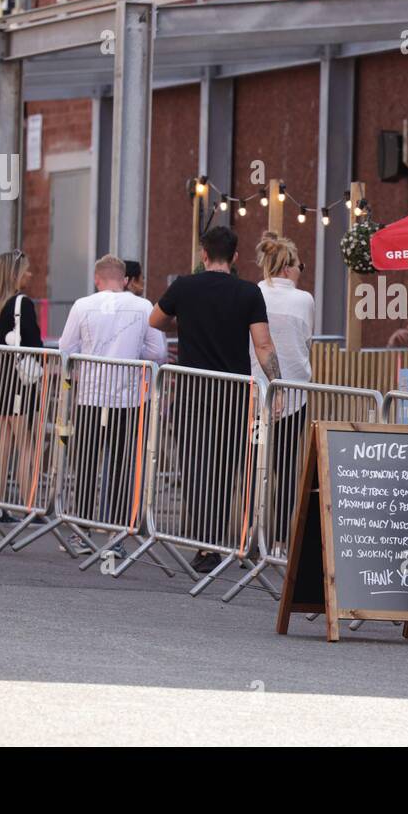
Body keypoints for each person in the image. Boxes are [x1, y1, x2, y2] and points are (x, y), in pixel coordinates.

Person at [150, 225, 282, 574]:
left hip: (193, 391)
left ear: (203, 254)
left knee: (196, 469)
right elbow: (264, 345)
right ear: (235, 257)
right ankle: (220, 541)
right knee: (225, 469)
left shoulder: (184, 286)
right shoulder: (248, 292)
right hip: (234, 393)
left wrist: (188, 322)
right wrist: (277, 386)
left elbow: (155, 320)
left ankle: (204, 546)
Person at [59, 255, 167, 553]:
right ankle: (116, 536)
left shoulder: (83, 305)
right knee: (121, 464)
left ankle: (80, 531)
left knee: (86, 463)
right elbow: (158, 352)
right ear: (124, 280)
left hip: (91, 395)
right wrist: (132, 352)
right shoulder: (143, 305)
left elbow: (66, 348)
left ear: (97, 279)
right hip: (128, 397)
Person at [249, 233, 315, 552]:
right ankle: (278, 540)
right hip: (295, 390)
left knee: (254, 462)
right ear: (288, 267)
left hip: (256, 390)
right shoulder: (304, 300)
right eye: (300, 265)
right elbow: (306, 341)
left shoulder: (255, 292)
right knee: (287, 466)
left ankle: (250, 532)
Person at [0, 251, 42, 521]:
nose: (31, 275)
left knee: (0, 444)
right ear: (15, 273)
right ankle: (29, 505)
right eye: (27, 270)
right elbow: (33, 344)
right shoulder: (22, 303)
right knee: (25, 444)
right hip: (19, 380)